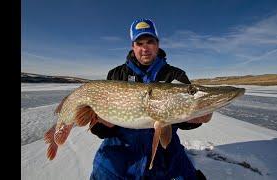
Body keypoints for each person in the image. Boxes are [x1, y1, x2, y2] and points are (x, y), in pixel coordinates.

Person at [89, 18, 213, 180]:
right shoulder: (116, 75)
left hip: (165, 150)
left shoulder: (175, 75)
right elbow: (100, 129)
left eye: (150, 41)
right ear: (133, 46)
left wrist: (195, 118)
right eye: (139, 43)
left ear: (158, 44)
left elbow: (182, 119)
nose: (145, 48)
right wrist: (102, 125)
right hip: (121, 147)